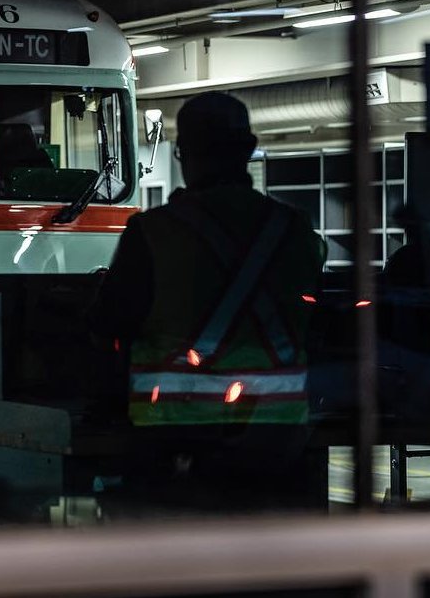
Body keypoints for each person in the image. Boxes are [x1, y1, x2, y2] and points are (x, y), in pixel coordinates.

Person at [88, 91, 326, 510]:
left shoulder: (153, 232)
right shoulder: (295, 231)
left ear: (183, 154)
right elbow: (315, 315)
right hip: (277, 436)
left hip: (175, 439)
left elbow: (108, 325)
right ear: (249, 150)